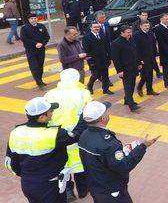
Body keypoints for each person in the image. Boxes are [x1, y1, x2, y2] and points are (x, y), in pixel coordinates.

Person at [5, 97, 84, 203]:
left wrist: (28, 176)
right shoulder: (53, 135)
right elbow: (76, 135)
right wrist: (84, 116)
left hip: (27, 184)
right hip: (49, 186)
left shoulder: (16, 132)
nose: (52, 112)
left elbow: (10, 163)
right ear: (42, 117)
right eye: (50, 111)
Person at [78, 101, 159, 202]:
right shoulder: (108, 143)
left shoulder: (84, 135)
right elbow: (124, 165)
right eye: (106, 111)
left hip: (96, 187)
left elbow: (106, 158)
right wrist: (143, 146)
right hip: (112, 191)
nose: (108, 113)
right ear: (103, 119)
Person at [44, 68, 92, 201]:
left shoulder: (49, 95)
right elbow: (89, 115)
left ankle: (68, 191)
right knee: (80, 164)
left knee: (62, 164)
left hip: (56, 135)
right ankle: (82, 190)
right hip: (78, 135)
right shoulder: (83, 93)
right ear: (77, 79)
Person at [111, 25, 142, 112]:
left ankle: (127, 100)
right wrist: (119, 71)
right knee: (128, 87)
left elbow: (135, 52)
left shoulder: (131, 39)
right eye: (128, 32)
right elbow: (116, 59)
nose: (130, 34)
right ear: (122, 33)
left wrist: (138, 63)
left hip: (134, 67)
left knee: (132, 84)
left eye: (130, 32)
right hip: (125, 69)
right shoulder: (116, 43)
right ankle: (131, 105)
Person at [21, 13, 50, 89]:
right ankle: (39, 82)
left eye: (35, 18)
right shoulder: (25, 28)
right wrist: (35, 44)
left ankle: (40, 80)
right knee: (34, 66)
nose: (34, 20)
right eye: (32, 19)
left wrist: (42, 44)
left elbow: (47, 37)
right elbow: (24, 39)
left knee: (40, 65)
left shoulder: (41, 26)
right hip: (31, 50)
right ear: (29, 20)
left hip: (41, 49)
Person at [83, 22, 113, 95]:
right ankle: (90, 86)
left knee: (105, 75)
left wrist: (109, 57)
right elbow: (86, 51)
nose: (97, 28)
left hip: (104, 59)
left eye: (98, 27)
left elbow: (107, 47)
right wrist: (90, 62)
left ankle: (105, 89)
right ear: (91, 28)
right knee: (95, 75)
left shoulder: (102, 35)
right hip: (94, 60)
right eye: (95, 27)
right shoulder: (87, 37)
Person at [133, 20, 159, 97]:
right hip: (142, 59)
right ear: (140, 26)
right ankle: (139, 87)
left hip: (151, 57)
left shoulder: (150, 33)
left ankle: (149, 90)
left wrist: (155, 53)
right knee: (145, 75)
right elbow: (135, 49)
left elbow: (153, 44)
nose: (147, 27)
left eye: (148, 26)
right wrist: (139, 60)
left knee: (150, 74)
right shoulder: (136, 35)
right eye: (145, 26)